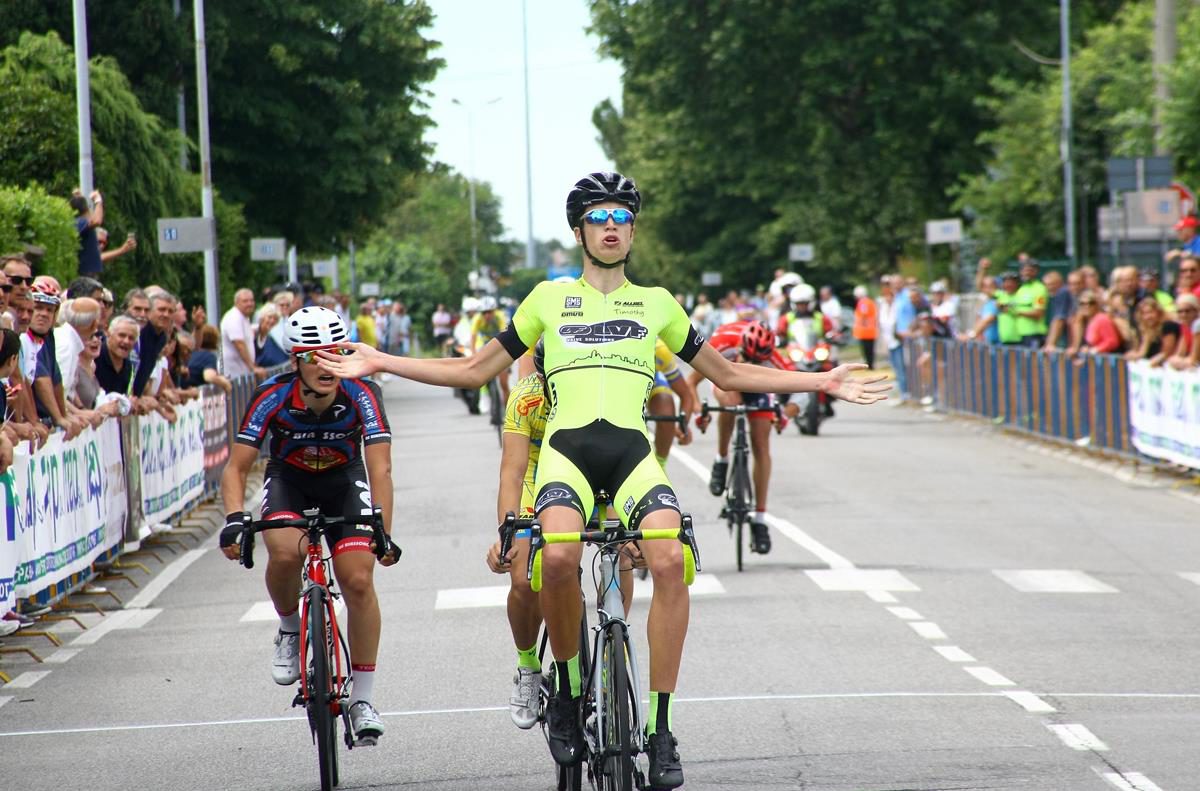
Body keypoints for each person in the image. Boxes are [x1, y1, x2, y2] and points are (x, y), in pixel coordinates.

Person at [315, 171, 889, 788]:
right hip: (567, 456)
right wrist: (379, 360)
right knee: (558, 558)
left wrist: (821, 380)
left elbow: (728, 374)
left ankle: (661, 729)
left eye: (621, 217)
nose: (611, 227)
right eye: (598, 217)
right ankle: (565, 692)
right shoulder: (546, 299)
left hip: (632, 457)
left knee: (669, 560)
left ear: (633, 231)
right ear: (580, 231)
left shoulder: (658, 303)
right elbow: (474, 370)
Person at [218, 306, 399, 746]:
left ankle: (363, 699)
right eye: (314, 356)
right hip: (290, 482)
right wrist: (234, 519)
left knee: (358, 580)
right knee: (284, 553)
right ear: (295, 360)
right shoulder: (272, 395)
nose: (327, 365)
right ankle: (288, 626)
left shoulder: (362, 391)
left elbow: (381, 469)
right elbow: (236, 467)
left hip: (344, 481)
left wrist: (383, 531)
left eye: (336, 353)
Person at [689, 320, 800, 554]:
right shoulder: (721, 344)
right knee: (731, 401)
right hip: (727, 379)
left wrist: (786, 415)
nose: (750, 365)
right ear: (740, 347)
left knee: (761, 443)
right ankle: (722, 459)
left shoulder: (776, 357)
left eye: (757, 362)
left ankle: (759, 519)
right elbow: (691, 382)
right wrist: (699, 411)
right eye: (747, 358)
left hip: (759, 387)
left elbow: (801, 392)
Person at [221, 288, 266, 381]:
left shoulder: (244, 317)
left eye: (251, 300)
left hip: (242, 375)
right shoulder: (234, 318)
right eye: (245, 301)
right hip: (234, 377)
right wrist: (253, 368)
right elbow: (239, 344)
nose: (249, 304)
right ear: (236, 303)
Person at [1126, 297, 1179, 366]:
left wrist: (1153, 362)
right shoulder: (1148, 330)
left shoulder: (1168, 325)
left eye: (1150, 312)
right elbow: (1142, 353)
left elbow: (1167, 353)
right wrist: (1134, 355)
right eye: (1144, 314)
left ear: (1158, 312)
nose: (1147, 317)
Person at [1014, 257, 1049, 348]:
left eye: (1029, 270)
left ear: (1035, 272)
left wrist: (1017, 312)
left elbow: (1039, 313)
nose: (1026, 273)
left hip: (1034, 334)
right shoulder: (1022, 289)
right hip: (1020, 334)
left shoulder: (1039, 288)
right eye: (1023, 270)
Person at [68, 189, 104, 277]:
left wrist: (81, 199)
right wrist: (98, 201)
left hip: (88, 271)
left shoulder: (81, 221)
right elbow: (97, 221)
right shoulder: (79, 222)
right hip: (85, 272)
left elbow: (90, 218)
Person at [186, 325, 232, 392]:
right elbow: (209, 376)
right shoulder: (208, 356)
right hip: (193, 392)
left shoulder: (190, 353)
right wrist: (225, 383)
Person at [851, 285, 877, 368]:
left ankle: (869, 366)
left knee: (867, 351)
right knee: (869, 351)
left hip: (866, 332)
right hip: (870, 331)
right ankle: (870, 365)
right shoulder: (869, 301)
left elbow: (863, 315)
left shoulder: (863, 303)